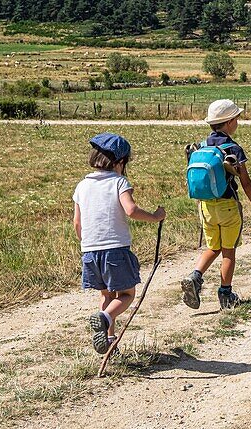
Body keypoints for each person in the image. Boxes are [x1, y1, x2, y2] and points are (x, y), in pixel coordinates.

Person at [73, 133, 166, 354]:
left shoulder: (82, 186)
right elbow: (131, 210)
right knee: (126, 295)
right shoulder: (119, 182)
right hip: (115, 249)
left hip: (89, 250)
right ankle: (104, 319)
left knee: (106, 295)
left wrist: (87, 242)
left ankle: (109, 340)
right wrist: (155, 216)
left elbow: (77, 222)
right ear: (120, 162)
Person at [181, 100, 251, 310]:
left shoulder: (201, 146)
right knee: (228, 251)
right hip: (228, 206)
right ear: (229, 122)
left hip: (205, 206)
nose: (237, 122)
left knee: (213, 246)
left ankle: (195, 276)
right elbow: (245, 182)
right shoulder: (233, 149)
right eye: (236, 118)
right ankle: (226, 295)